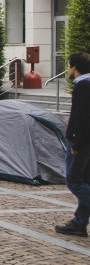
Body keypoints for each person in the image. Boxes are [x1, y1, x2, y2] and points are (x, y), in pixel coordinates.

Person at [58, 52, 90, 236]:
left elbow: (82, 117)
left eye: (68, 65)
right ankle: (79, 222)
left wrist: (77, 143)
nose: (67, 69)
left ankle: (79, 222)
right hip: (86, 140)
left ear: (75, 67)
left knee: (74, 181)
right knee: (84, 180)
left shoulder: (82, 85)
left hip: (82, 141)